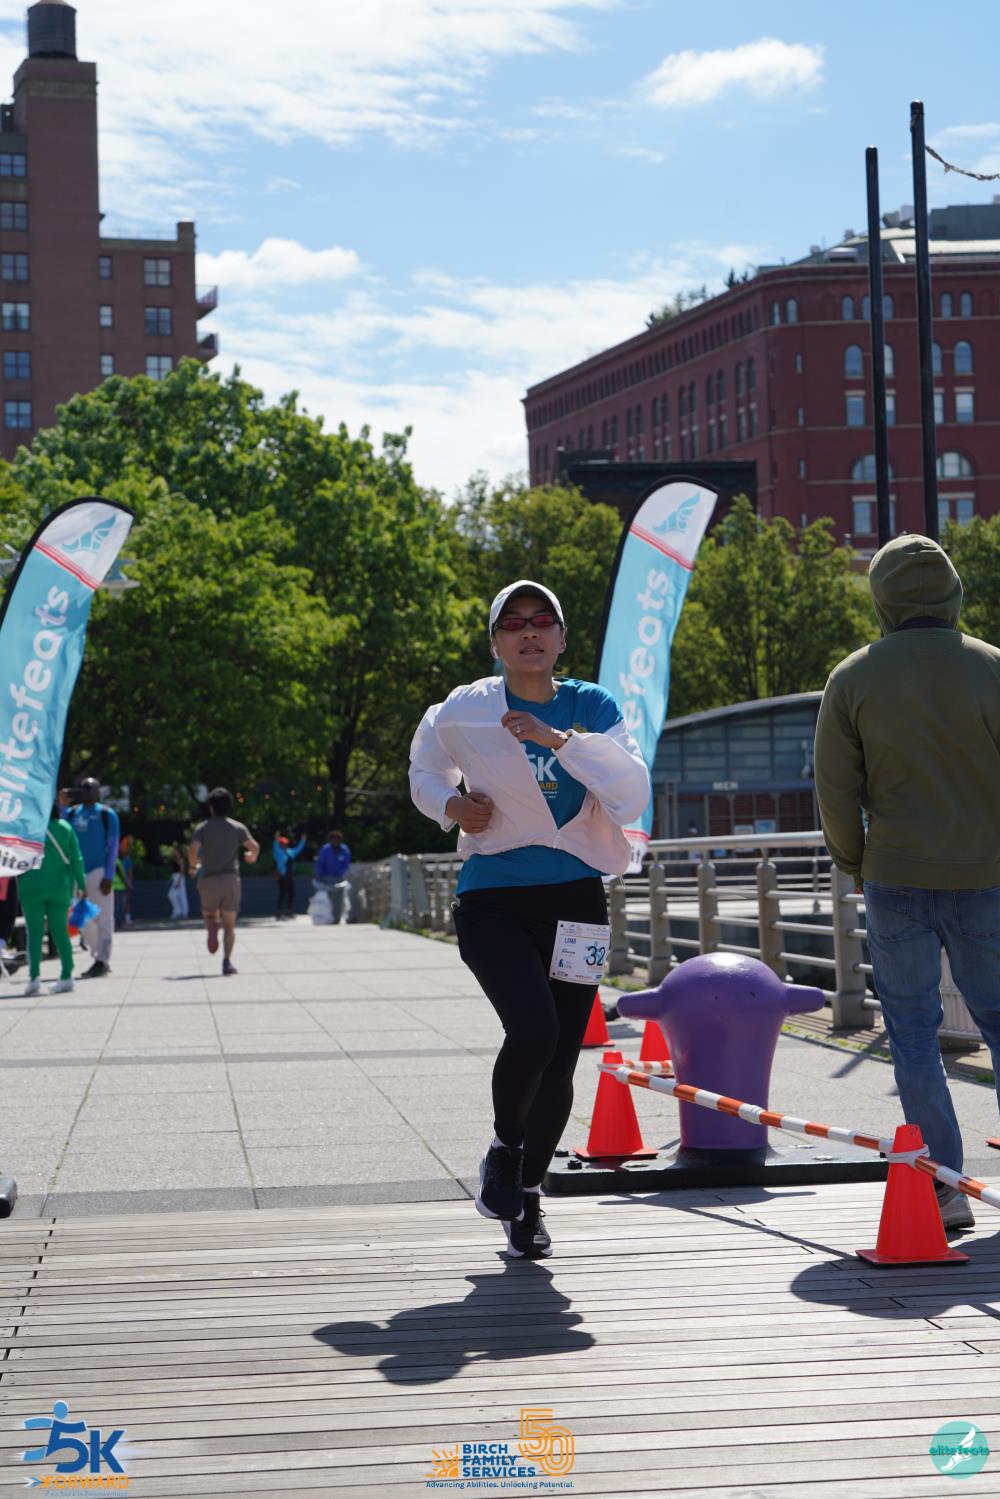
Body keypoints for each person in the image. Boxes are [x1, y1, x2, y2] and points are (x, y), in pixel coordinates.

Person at [409, 579, 649, 1258]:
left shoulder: (592, 706)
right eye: (512, 623)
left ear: (562, 638)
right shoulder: (466, 710)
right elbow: (423, 769)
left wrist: (557, 739)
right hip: (494, 900)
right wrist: (451, 807)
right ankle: (504, 1148)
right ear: (495, 643)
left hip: (577, 900)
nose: (529, 632)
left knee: (563, 1057)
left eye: (543, 620)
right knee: (534, 1029)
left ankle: (527, 1197)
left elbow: (630, 794)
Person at [815, 533, 1000, 1234]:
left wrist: (854, 859)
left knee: (913, 1032)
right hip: (987, 874)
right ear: (953, 592)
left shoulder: (853, 677)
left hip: (894, 874)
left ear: (882, 597)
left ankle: (944, 1188)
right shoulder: (991, 666)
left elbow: (836, 788)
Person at [188, 788, 259, 976]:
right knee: (229, 925)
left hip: (208, 880)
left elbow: (193, 850)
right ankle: (227, 962)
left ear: (211, 807)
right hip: (230, 880)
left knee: (209, 915)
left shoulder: (202, 828)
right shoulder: (237, 827)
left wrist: (193, 866)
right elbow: (254, 847)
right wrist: (251, 857)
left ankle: (212, 926)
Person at [19, 801, 86, 995]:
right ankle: (66, 976)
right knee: (60, 932)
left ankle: (34, 979)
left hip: (31, 887)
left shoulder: (27, 829)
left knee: (34, 934)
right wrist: (82, 885)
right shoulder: (65, 828)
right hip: (59, 888)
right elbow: (76, 859)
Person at [66, 777, 119, 978]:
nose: (85, 790)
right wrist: (62, 805)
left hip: (98, 872)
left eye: (89, 787)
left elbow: (113, 847)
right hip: (76, 873)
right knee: (81, 917)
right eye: (82, 787)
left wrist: (109, 875)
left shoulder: (106, 814)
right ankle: (98, 955)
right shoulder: (71, 813)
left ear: (98, 791)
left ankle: (102, 959)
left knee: (104, 917)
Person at [314, 830, 351, 923]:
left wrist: (340, 873)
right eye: (333, 840)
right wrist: (319, 874)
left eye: (337, 840)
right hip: (326, 878)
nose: (335, 842)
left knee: (338, 901)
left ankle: (336, 919)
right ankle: (326, 919)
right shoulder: (325, 849)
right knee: (326, 899)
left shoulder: (344, 850)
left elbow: (346, 864)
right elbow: (320, 863)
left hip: (339, 879)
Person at [272, 831, 306, 919]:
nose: (283, 845)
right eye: (282, 843)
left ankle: (289, 911)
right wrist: (276, 839)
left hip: (290, 876)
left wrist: (302, 840)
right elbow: (275, 845)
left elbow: (299, 848)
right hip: (282, 876)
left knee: (291, 893)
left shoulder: (291, 852)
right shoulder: (277, 852)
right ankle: (279, 912)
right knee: (282, 893)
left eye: (285, 843)